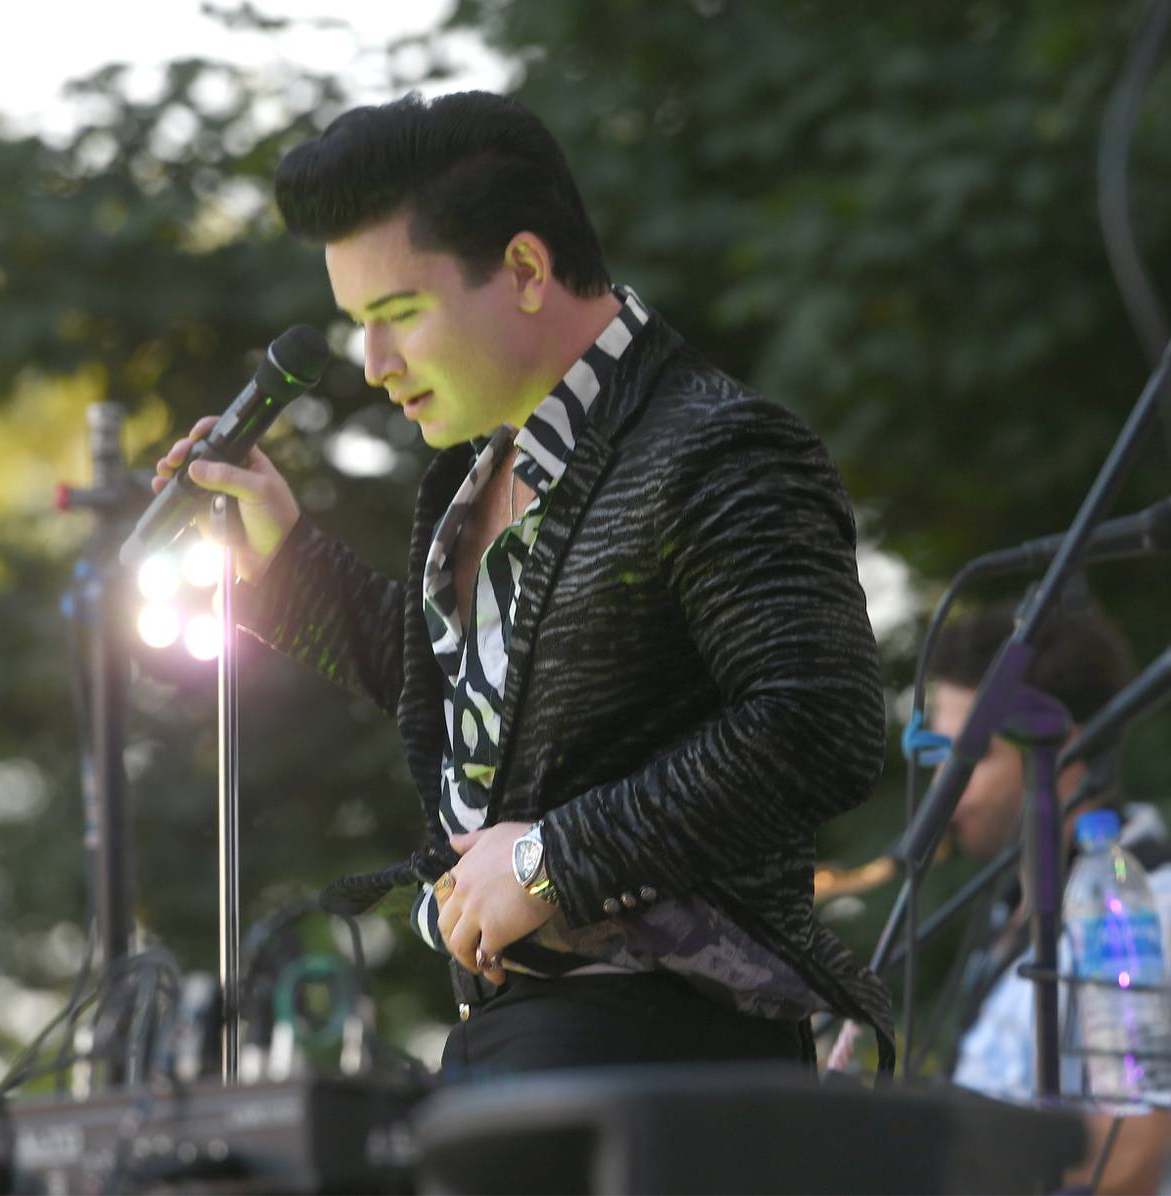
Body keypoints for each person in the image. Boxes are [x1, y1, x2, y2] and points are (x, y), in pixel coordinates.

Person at [154, 90, 892, 1077]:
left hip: (673, 1046)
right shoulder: (472, 474)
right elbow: (497, 716)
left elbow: (820, 720)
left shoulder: (721, 446)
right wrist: (286, 567)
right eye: (357, 324)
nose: (373, 363)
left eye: (398, 314)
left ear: (526, 269)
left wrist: (552, 858)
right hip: (532, 1037)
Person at [928, 601, 1171, 1193]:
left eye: (973, 756)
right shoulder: (1014, 903)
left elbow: (1126, 1158)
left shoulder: (1144, 909)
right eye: (938, 755)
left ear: (1063, 752)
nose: (943, 789)